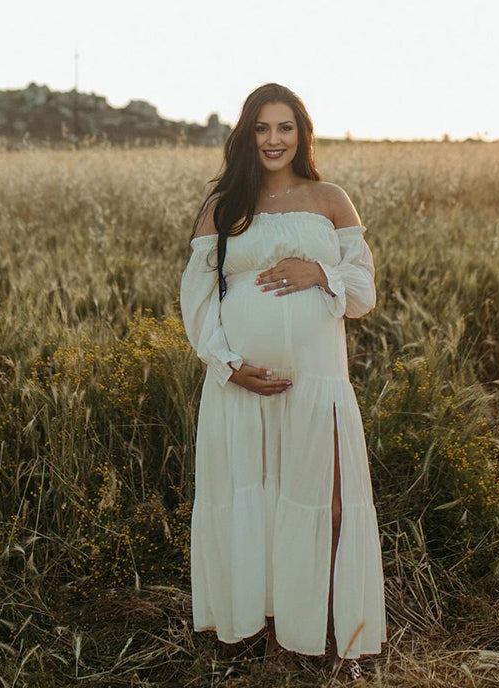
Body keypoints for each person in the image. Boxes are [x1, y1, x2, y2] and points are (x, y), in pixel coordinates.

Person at [179, 83, 387, 682]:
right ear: (246, 134)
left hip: (317, 381)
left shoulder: (330, 199)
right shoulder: (225, 204)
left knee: (334, 504)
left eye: (285, 127)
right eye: (262, 128)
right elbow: (198, 299)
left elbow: (362, 294)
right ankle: (264, 631)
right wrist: (226, 364)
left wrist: (316, 270)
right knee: (255, 501)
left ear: (302, 134)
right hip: (241, 385)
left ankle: (323, 629)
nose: (274, 140)